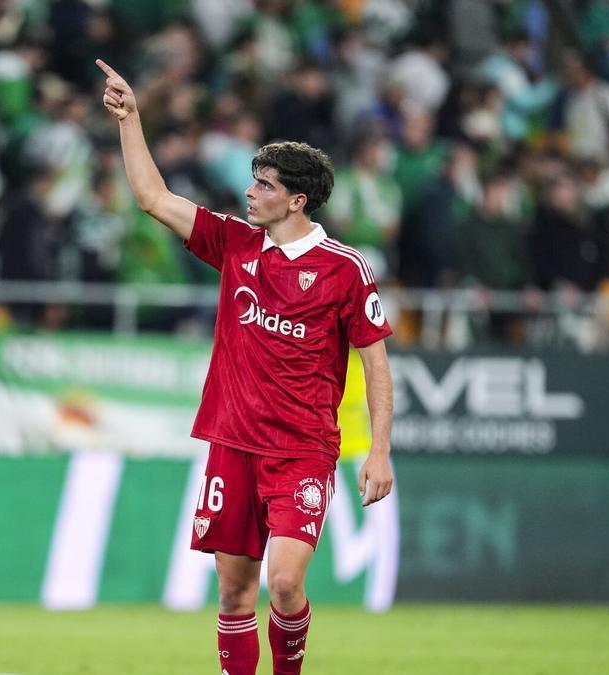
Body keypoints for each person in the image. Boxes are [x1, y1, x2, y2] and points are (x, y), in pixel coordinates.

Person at [97, 59, 394, 675]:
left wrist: (381, 449)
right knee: (234, 592)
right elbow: (153, 197)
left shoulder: (344, 269)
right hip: (232, 445)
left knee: (284, 585)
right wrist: (131, 120)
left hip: (302, 451)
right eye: (253, 181)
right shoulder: (236, 243)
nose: (250, 192)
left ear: (296, 199)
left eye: (262, 185)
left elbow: (375, 360)